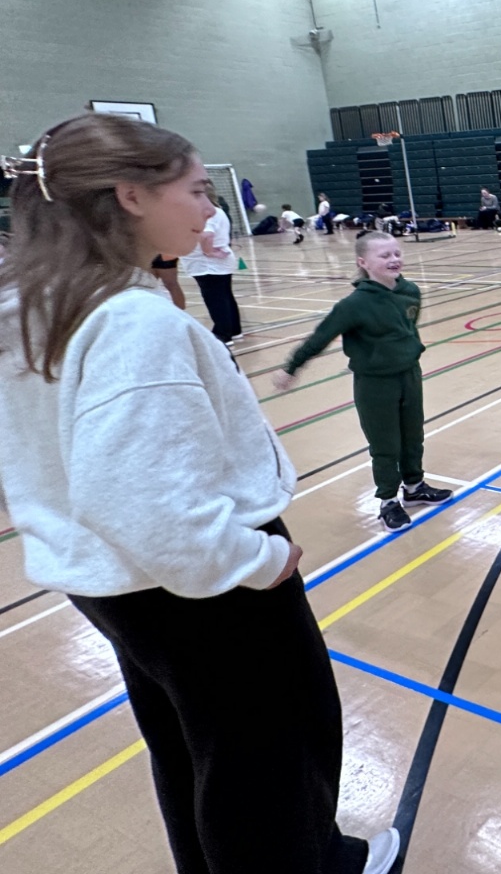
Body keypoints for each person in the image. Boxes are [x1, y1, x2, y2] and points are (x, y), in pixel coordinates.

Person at [0, 113, 399, 874]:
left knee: (192, 743)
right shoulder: (128, 323)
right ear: (131, 196)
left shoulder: (36, 306)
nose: (210, 209)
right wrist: (255, 560)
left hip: (112, 579)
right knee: (269, 751)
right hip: (197, 584)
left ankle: (311, 855)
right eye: (194, 190)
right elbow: (141, 502)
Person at [272, 231, 452, 532]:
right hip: (375, 384)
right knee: (385, 444)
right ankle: (388, 502)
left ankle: (414, 487)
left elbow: (406, 328)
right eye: (385, 255)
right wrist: (292, 367)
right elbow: (320, 337)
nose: (394, 259)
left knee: (413, 435)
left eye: (397, 253)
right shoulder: (353, 305)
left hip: (410, 375)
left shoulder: (410, 291)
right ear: (363, 263)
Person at [182, 182, 241, 344]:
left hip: (208, 265)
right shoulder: (219, 211)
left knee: (215, 299)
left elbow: (206, 235)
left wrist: (209, 252)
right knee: (225, 295)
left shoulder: (205, 213)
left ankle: (223, 334)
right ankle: (234, 330)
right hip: (219, 262)